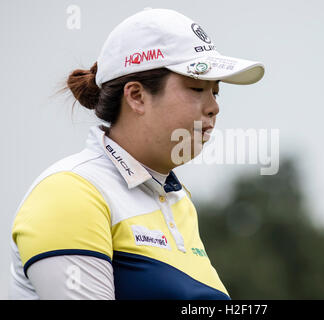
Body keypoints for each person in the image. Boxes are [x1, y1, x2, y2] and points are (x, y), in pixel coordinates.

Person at [9, 8, 264, 300]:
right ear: (136, 96)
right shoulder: (71, 191)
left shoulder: (180, 201)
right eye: (196, 88)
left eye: (215, 92)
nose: (213, 107)